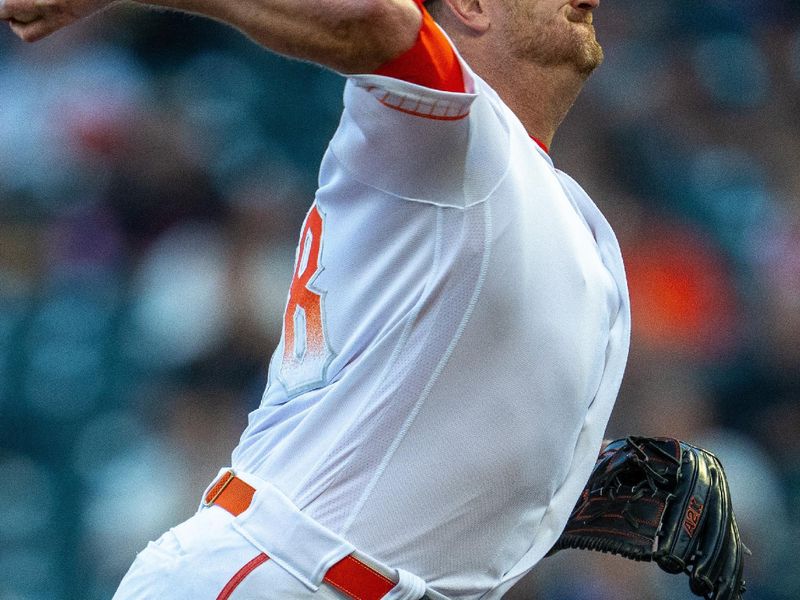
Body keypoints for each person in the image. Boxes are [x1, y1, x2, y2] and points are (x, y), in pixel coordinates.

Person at [2, 1, 630, 598]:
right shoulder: (456, 133)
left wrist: (597, 482)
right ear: (468, 6)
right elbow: (375, 18)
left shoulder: (562, 213)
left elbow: (443, 434)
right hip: (283, 575)